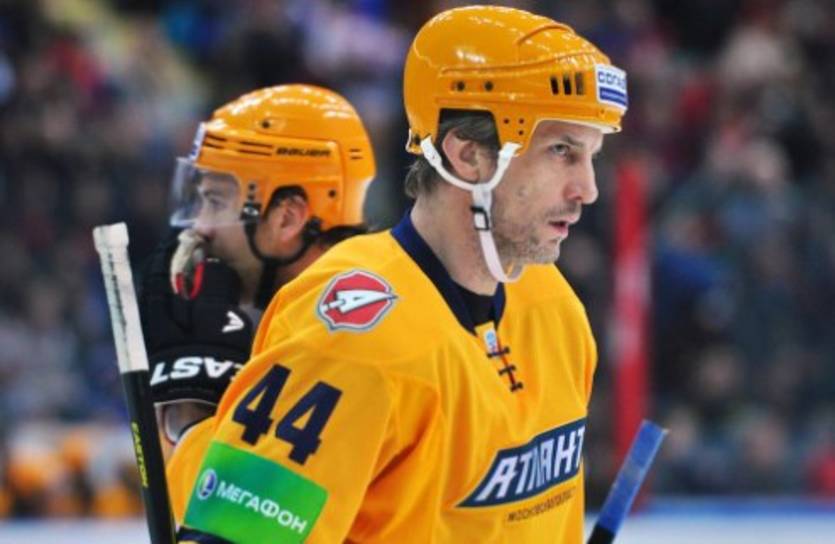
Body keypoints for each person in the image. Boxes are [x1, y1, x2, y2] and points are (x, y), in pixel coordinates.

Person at [174, 6, 627, 543]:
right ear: (468, 156)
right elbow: (239, 535)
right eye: (561, 151)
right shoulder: (352, 340)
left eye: (591, 155)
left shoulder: (553, 306)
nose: (587, 189)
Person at [136, 83, 376, 520]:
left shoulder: (333, 343)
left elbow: (236, 523)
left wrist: (189, 413)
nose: (200, 227)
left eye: (215, 201)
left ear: (288, 217)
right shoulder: (337, 305)